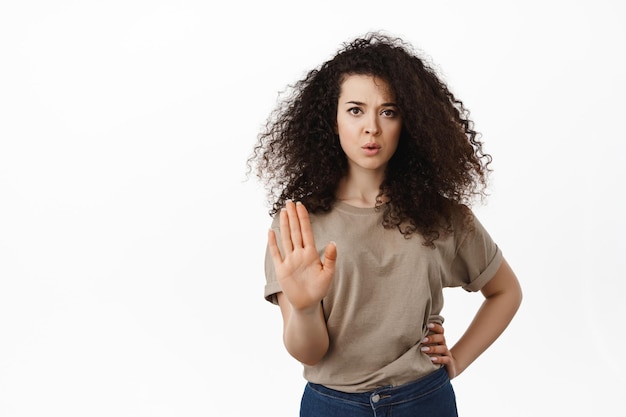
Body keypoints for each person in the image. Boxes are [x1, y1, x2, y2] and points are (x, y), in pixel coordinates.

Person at [248, 32, 522, 417]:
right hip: (332, 405)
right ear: (332, 120)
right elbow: (308, 353)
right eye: (355, 110)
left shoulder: (444, 217)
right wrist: (306, 308)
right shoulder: (297, 223)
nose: (371, 128)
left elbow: (506, 292)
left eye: (388, 111)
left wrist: (456, 360)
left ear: (408, 122)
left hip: (424, 401)